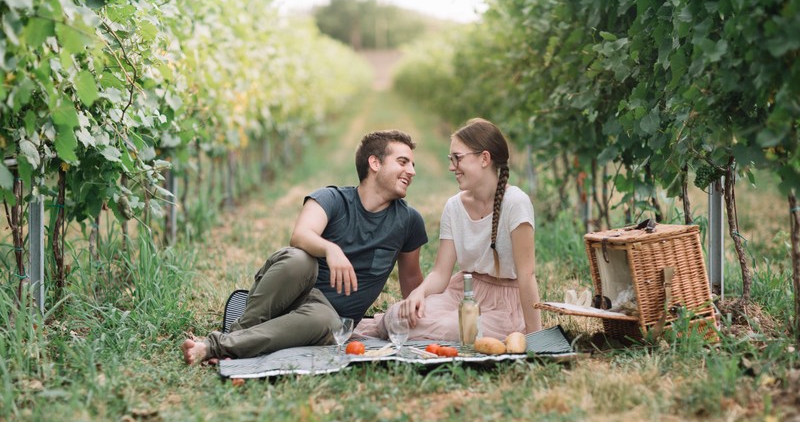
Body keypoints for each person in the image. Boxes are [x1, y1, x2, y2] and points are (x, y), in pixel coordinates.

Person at [182, 130, 428, 365]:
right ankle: (238, 334)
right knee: (299, 259)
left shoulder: (409, 221)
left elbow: (411, 281)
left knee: (328, 321)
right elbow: (300, 235)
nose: (412, 171)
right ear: (375, 163)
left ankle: (217, 346)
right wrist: (331, 249)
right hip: (289, 294)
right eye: (403, 162)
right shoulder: (332, 199)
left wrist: (424, 318)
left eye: (413, 165)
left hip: (324, 319)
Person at [360, 118, 542, 341]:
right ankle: (392, 326)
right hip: (463, 292)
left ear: (484, 158)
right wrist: (419, 293)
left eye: (457, 158)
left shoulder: (516, 203)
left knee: (454, 329)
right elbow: (440, 273)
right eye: (450, 159)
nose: (451, 167)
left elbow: (527, 275)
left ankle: (405, 332)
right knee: (399, 315)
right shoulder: (454, 206)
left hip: (505, 303)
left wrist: (536, 337)